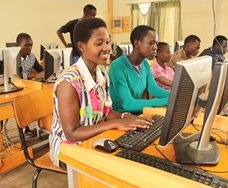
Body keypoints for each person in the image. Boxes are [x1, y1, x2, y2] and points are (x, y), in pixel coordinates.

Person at [49, 18, 153, 168]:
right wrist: (114, 123)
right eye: (99, 43)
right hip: (68, 149)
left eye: (108, 42)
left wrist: (125, 116)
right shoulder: (68, 82)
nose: (107, 48)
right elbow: (72, 133)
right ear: (82, 46)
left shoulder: (101, 73)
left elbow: (105, 111)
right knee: (119, 167)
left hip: (94, 138)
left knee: (135, 153)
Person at [108, 25, 170, 115]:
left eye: (156, 43)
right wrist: (164, 101)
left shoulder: (144, 63)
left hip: (140, 114)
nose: (155, 47)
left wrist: (176, 96)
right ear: (136, 43)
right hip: (122, 117)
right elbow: (127, 104)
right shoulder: (118, 66)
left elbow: (154, 89)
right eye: (151, 43)